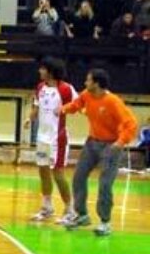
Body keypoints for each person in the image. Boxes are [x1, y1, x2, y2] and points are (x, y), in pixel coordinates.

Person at [58, 69, 138, 236]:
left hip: (111, 146)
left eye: (88, 80)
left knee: (105, 184)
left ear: (96, 83)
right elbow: (76, 105)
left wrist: (120, 142)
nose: (85, 83)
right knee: (79, 177)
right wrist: (63, 109)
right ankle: (82, 215)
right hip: (92, 142)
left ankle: (105, 222)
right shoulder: (86, 94)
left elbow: (131, 124)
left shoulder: (113, 101)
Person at [24, 57, 77, 224]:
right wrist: (29, 118)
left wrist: (65, 108)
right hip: (42, 137)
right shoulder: (40, 87)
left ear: (51, 71)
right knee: (43, 172)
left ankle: (70, 210)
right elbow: (36, 106)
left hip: (57, 139)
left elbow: (79, 105)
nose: (39, 71)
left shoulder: (66, 89)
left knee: (58, 174)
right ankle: (47, 208)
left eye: (42, 68)